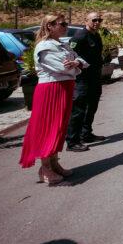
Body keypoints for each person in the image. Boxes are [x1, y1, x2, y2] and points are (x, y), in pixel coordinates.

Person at [19, 14, 88, 185]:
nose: (66, 26)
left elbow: (81, 61)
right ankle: (45, 169)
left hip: (64, 88)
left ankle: (54, 163)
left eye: (66, 23)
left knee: (59, 128)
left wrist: (76, 63)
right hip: (51, 90)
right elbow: (61, 67)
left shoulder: (62, 43)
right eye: (62, 23)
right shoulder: (44, 45)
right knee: (48, 128)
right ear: (49, 26)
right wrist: (75, 65)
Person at [66, 12, 106, 151]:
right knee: (78, 109)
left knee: (92, 106)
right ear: (86, 20)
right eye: (94, 20)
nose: (97, 22)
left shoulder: (95, 35)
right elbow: (70, 53)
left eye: (99, 20)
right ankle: (72, 141)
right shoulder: (80, 36)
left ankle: (86, 134)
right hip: (82, 78)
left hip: (95, 77)